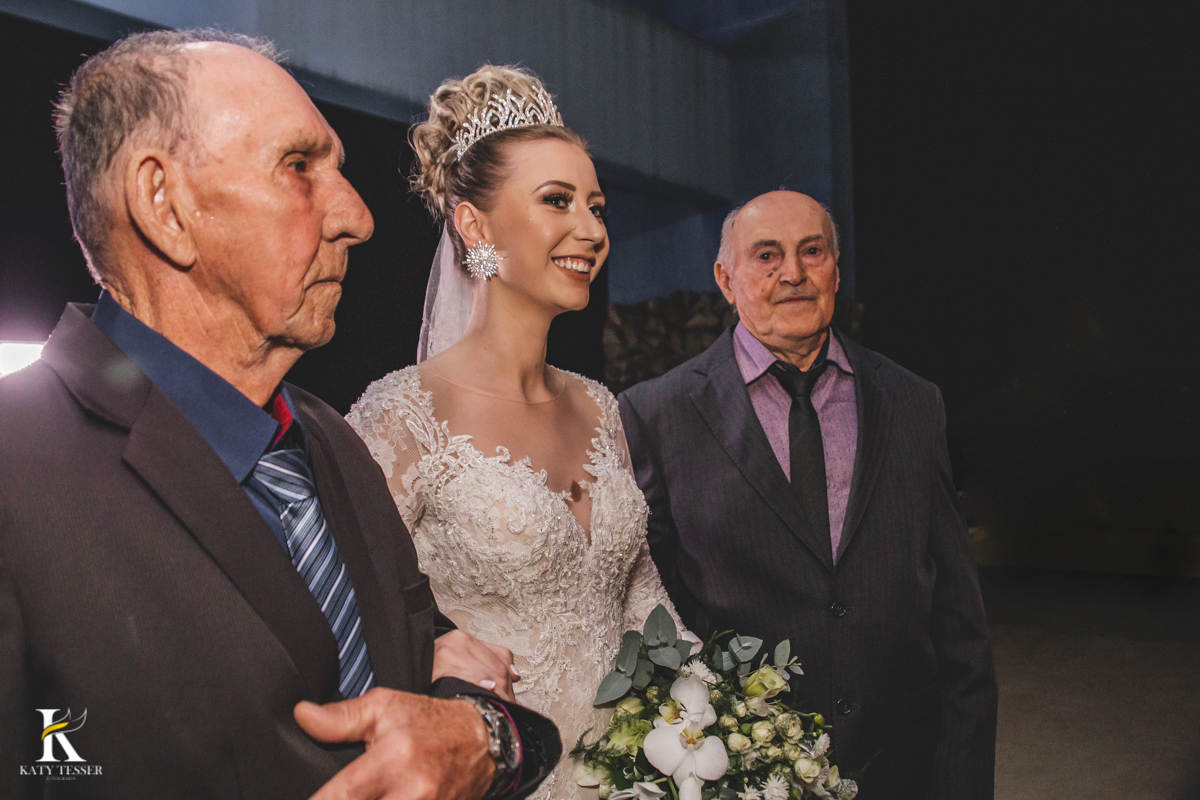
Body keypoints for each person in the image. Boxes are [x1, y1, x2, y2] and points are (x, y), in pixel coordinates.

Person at [0, 31, 561, 800]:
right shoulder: (17, 474)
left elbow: (430, 658)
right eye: (299, 167)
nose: (358, 217)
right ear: (165, 206)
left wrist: (478, 732)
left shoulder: (334, 442)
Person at [346, 66, 684, 800]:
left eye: (597, 207)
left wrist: (721, 717)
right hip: (499, 777)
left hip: (634, 776)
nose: (592, 231)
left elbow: (637, 597)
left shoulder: (600, 407)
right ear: (475, 227)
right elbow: (352, 617)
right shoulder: (401, 416)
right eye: (557, 201)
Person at [618, 191, 998, 799]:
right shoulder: (656, 415)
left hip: (903, 769)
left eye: (812, 251)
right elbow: (647, 614)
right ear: (726, 279)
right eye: (766, 255)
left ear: (836, 271)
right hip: (741, 778)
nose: (792, 273)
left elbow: (961, 629)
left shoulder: (913, 402)